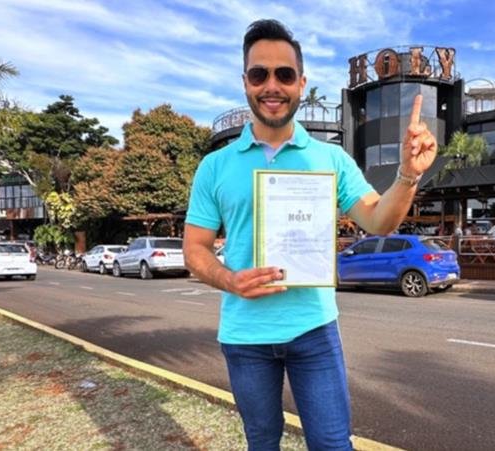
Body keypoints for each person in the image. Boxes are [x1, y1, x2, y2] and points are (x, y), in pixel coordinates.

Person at [182, 19, 438, 451]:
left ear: (301, 83)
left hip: (314, 330)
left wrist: (408, 175)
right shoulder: (215, 166)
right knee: (262, 443)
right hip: (245, 336)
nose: (272, 86)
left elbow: (378, 220)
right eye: (259, 74)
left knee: (333, 444)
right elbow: (195, 249)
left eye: (284, 74)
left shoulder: (330, 159)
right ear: (245, 82)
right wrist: (229, 279)